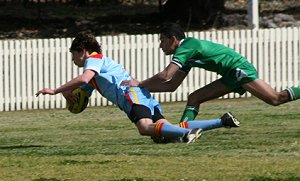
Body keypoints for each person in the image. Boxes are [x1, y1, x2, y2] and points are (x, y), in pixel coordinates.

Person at [36, 32, 240, 144]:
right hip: (141, 95)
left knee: (144, 128)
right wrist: (68, 95)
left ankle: (186, 133)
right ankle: (222, 121)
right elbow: (82, 93)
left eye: (73, 54)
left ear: (83, 51)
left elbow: (84, 77)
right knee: (160, 134)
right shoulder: (97, 69)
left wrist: (54, 90)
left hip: (132, 94)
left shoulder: (94, 59)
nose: (73, 59)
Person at [121, 23, 300, 122]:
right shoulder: (186, 54)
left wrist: (141, 83)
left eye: (162, 41)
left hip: (239, 70)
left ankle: (184, 130)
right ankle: (185, 132)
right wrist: (142, 90)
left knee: (276, 99)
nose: (160, 45)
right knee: (194, 98)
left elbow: (166, 75)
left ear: (173, 39)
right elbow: (172, 86)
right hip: (230, 74)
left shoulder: (187, 46)